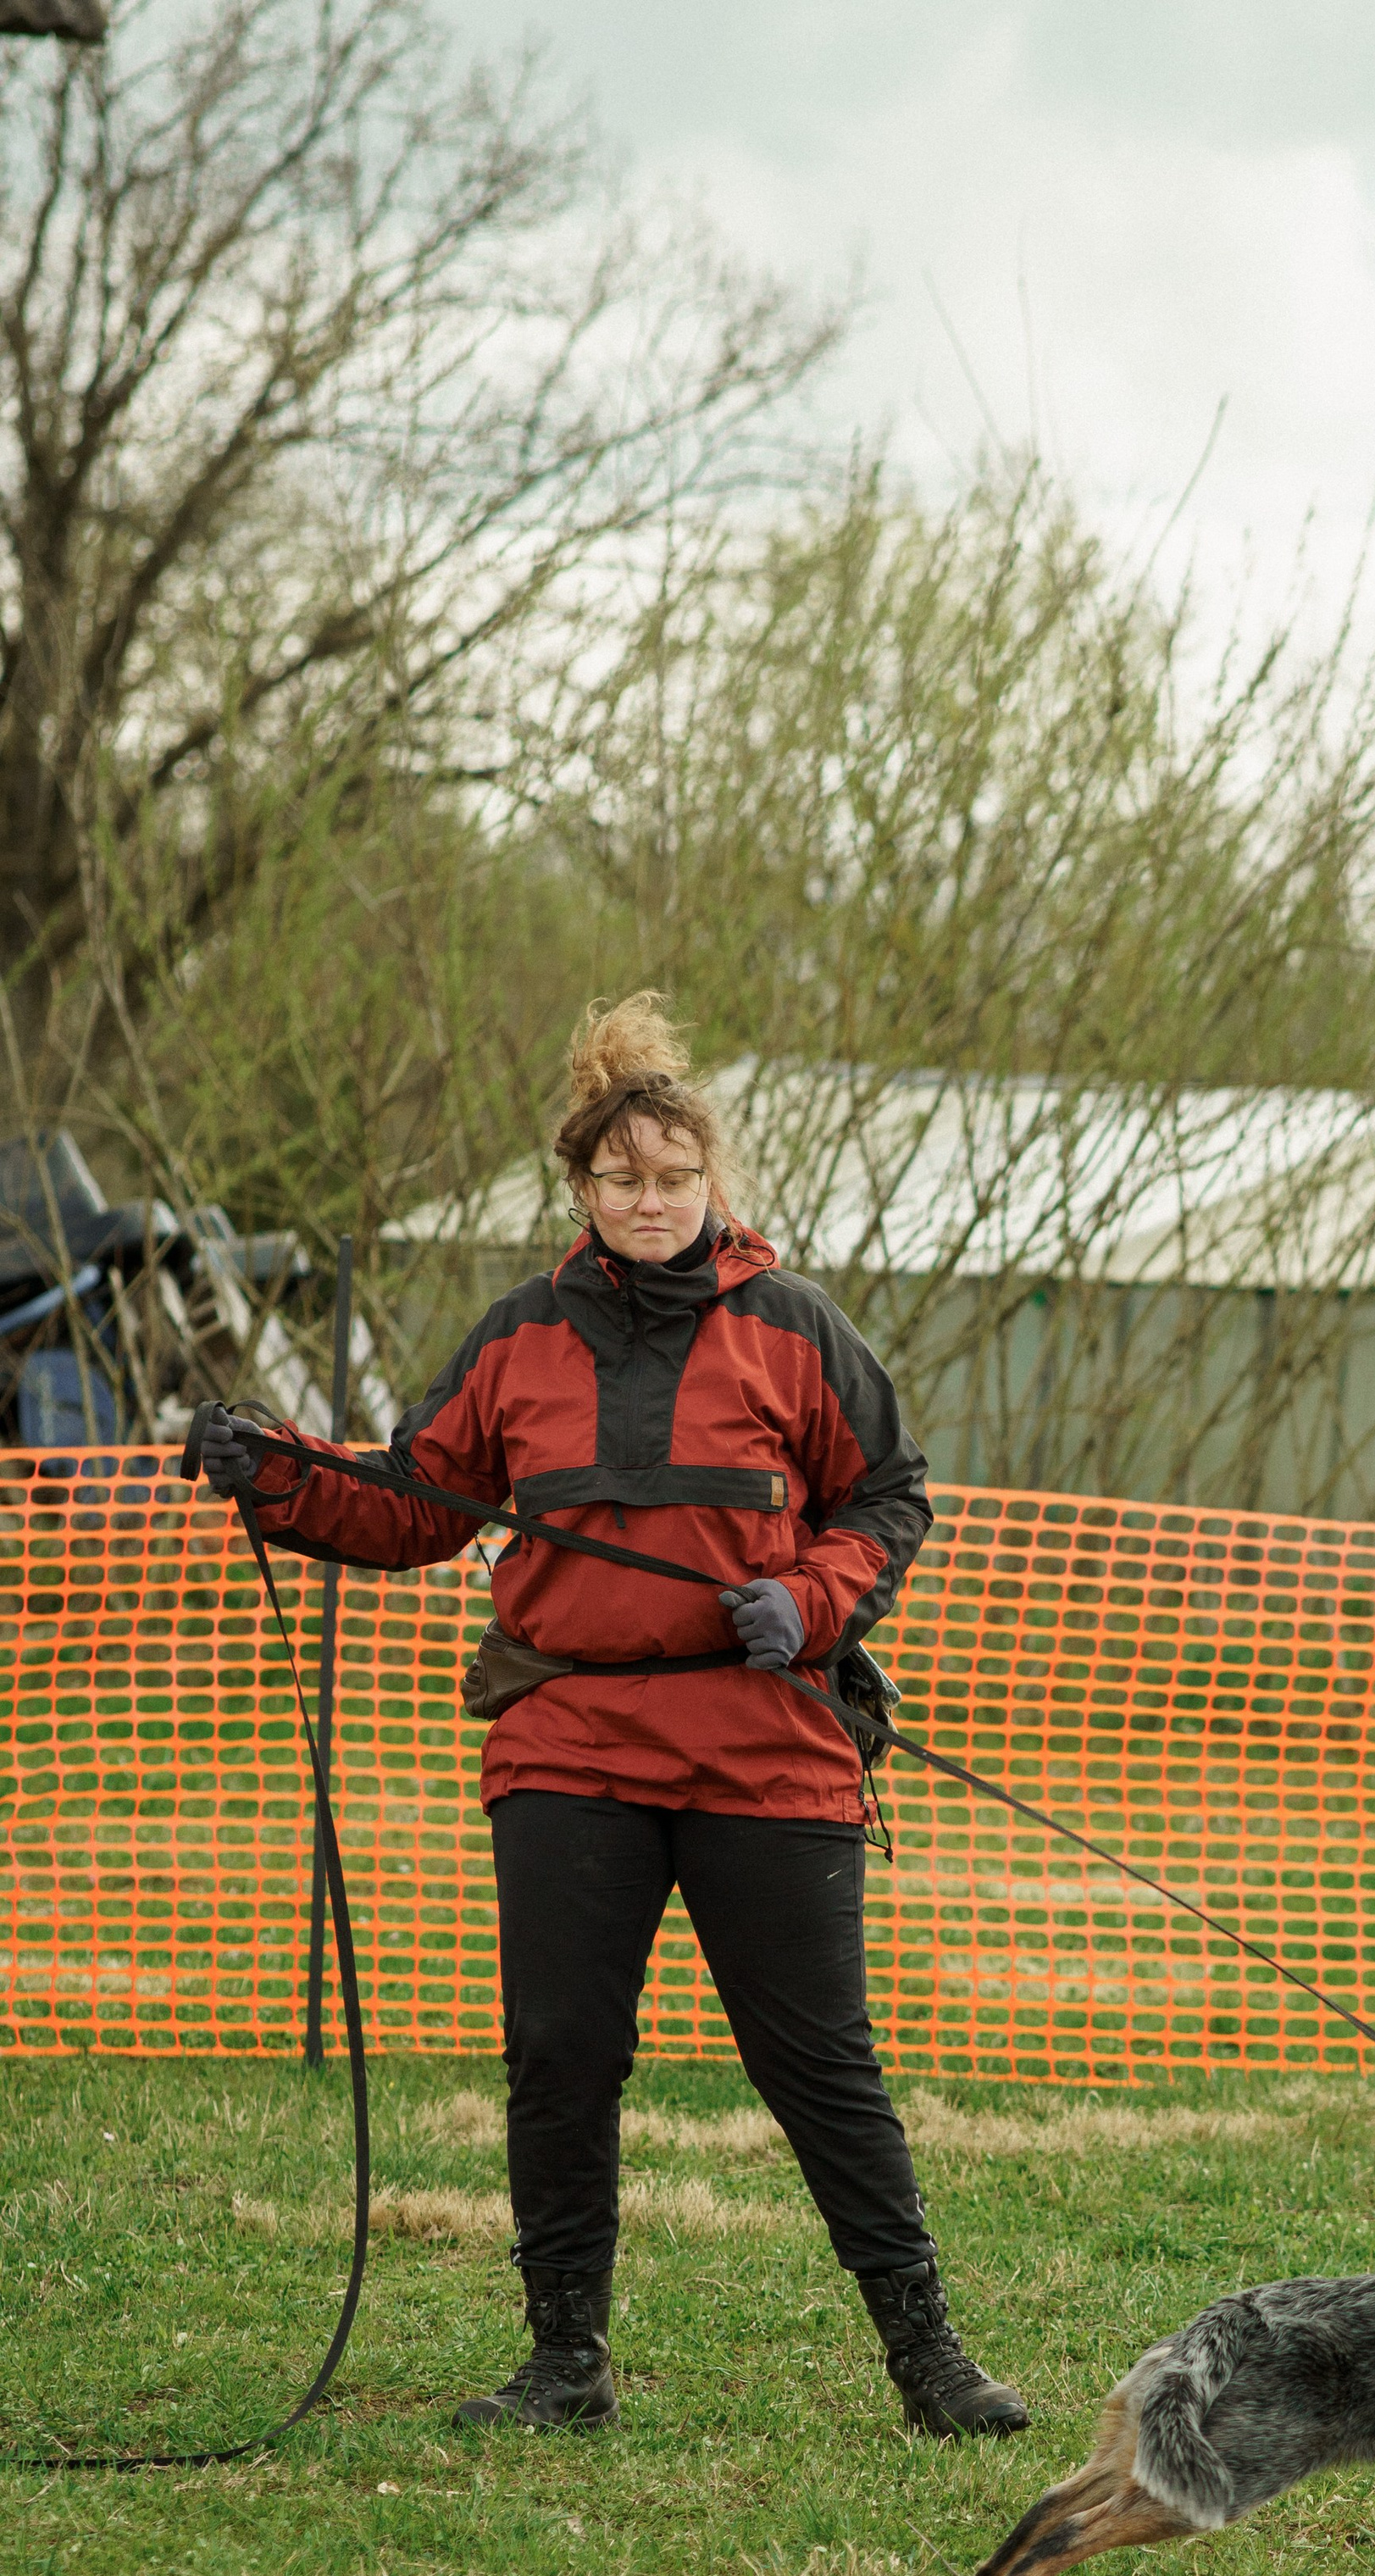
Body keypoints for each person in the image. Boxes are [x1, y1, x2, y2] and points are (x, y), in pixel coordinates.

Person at [194, 994, 1028, 2443]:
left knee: (818, 2061)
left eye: (675, 1176)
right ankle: (562, 2363)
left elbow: (890, 1498)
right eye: (623, 1179)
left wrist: (814, 1601)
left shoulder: (794, 1329)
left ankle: (930, 2359)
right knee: (563, 2050)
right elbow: (411, 1505)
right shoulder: (518, 1340)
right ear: (582, 1191)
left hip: (766, 1746)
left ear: (715, 1181)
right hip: (568, 1744)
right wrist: (273, 1474)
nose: (652, 1201)